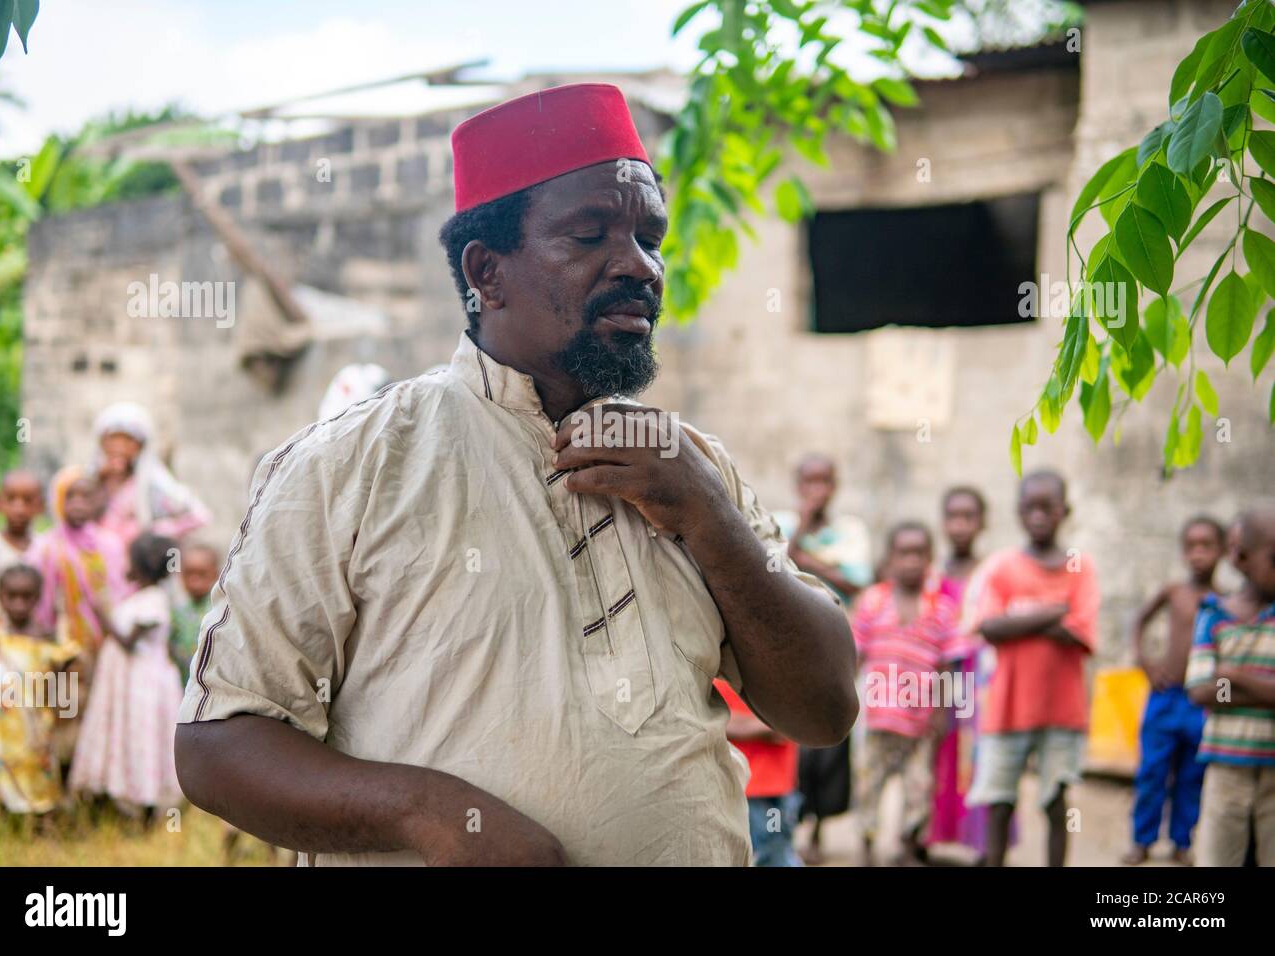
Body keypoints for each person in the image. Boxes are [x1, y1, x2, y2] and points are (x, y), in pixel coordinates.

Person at [173, 83, 858, 867]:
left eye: (649, 236)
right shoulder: (350, 464)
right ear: (486, 272)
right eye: (590, 234)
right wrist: (430, 814)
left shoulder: (692, 467)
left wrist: (706, 513)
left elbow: (826, 705)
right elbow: (217, 745)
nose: (637, 266)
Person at [963, 469, 1099, 867]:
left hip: (1062, 710)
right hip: (1007, 707)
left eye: (1048, 508)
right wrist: (1055, 612)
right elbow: (988, 627)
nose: (1038, 516)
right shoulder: (1003, 566)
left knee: (1056, 800)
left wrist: (1018, 620)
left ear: (1065, 511)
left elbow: (1081, 632)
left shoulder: (1079, 566)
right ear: (1018, 512)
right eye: (1029, 508)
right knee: (999, 801)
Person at [774, 453, 871, 864]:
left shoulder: (850, 531)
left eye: (824, 482)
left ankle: (817, 828)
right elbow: (774, 567)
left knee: (830, 738)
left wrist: (806, 562)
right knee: (793, 737)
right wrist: (802, 527)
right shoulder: (780, 522)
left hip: (836, 650)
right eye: (808, 482)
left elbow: (856, 581)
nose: (817, 490)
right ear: (798, 486)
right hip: (791, 649)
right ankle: (792, 825)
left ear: (835, 485)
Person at [851, 521, 961, 865]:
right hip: (878, 720)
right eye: (904, 553)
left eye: (919, 553)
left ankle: (908, 846)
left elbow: (946, 664)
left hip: (920, 722)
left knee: (919, 789)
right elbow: (856, 655)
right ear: (890, 558)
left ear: (930, 558)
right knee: (869, 787)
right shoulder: (873, 601)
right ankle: (867, 849)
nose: (911, 561)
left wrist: (942, 711)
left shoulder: (941, 609)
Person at [1123, 515, 1226, 865]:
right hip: (1165, 698)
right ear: (1183, 552)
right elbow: (1138, 620)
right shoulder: (1173, 592)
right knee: (1152, 771)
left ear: (1223, 551)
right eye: (1191, 547)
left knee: (1192, 774)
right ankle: (1142, 840)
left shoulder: (1225, 601)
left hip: (1200, 702)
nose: (1198, 554)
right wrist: (1144, 661)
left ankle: (1182, 841)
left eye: (1206, 546)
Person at [69, 532, 183, 818]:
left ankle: (145, 803)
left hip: (141, 685)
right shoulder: (142, 597)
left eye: (129, 559)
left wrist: (100, 614)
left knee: (141, 739)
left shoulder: (153, 601)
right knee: (123, 734)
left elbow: (129, 642)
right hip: (127, 682)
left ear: (142, 566)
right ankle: (116, 796)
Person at [1186, 508, 1275, 866]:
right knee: (1218, 857)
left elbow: (1218, 687)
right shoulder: (1214, 615)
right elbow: (1201, 691)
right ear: (1239, 558)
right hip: (1226, 768)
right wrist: (1263, 692)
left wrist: (1234, 678)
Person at [28, 467, 130, 765]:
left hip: (106, 645)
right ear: (57, 500)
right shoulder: (46, 548)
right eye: (70, 496)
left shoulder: (110, 545)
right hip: (65, 649)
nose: (79, 504)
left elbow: (120, 594)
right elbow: (41, 605)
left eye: (87, 496)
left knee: (101, 711)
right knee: (64, 709)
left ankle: (96, 781)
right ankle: (64, 778)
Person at [925, 485, 1001, 861]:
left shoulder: (991, 573)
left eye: (968, 517)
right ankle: (934, 835)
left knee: (981, 755)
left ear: (982, 522)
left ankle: (983, 841)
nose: (960, 525)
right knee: (941, 752)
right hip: (941, 678)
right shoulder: (932, 574)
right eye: (952, 516)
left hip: (980, 679)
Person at [0, 565, 80, 817]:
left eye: (26, 597)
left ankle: (39, 820)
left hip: (31, 720)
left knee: (34, 767)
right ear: (0, 597)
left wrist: (60, 708)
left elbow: (63, 673)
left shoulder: (45, 637)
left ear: (37, 598)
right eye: (11, 597)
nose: (18, 604)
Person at [92, 402, 211, 549]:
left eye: (128, 440)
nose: (120, 447)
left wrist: (154, 532)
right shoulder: (92, 481)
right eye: (113, 439)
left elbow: (199, 516)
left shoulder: (153, 482)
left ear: (140, 446)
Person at [714, 679, 801, 866]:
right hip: (747, 788)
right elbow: (717, 722)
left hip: (778, 788)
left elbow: (801, 720)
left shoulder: (787, 668)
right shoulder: (719, 671)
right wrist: (769, 727)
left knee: (776, 851)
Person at [0, 471, 44, 630]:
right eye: (11, 500)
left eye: (27, 501)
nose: (19, 509)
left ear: (39, 506)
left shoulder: (43, 546)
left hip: (31, 640)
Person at [170, 544, 219, 685]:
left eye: (202, 574)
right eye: (189, 574)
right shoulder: (177, 612)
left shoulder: (219, 611)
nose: (194, 581)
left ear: (215, 574)